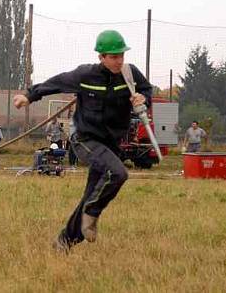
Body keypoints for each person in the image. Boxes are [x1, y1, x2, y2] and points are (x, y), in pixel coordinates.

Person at [14, 29, 151, 252]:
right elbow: (56, 82)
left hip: (111, 144)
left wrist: (144, 97)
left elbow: (146, 90)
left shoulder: (130, 74)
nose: (119, 61)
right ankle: (93, 213)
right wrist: (29, 96)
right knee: (118, 173)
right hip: (85, 139)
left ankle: (64, 242)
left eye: (121, 56)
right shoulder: (85, 76)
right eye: (113, 56)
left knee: (91, 193)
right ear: (101, 57)